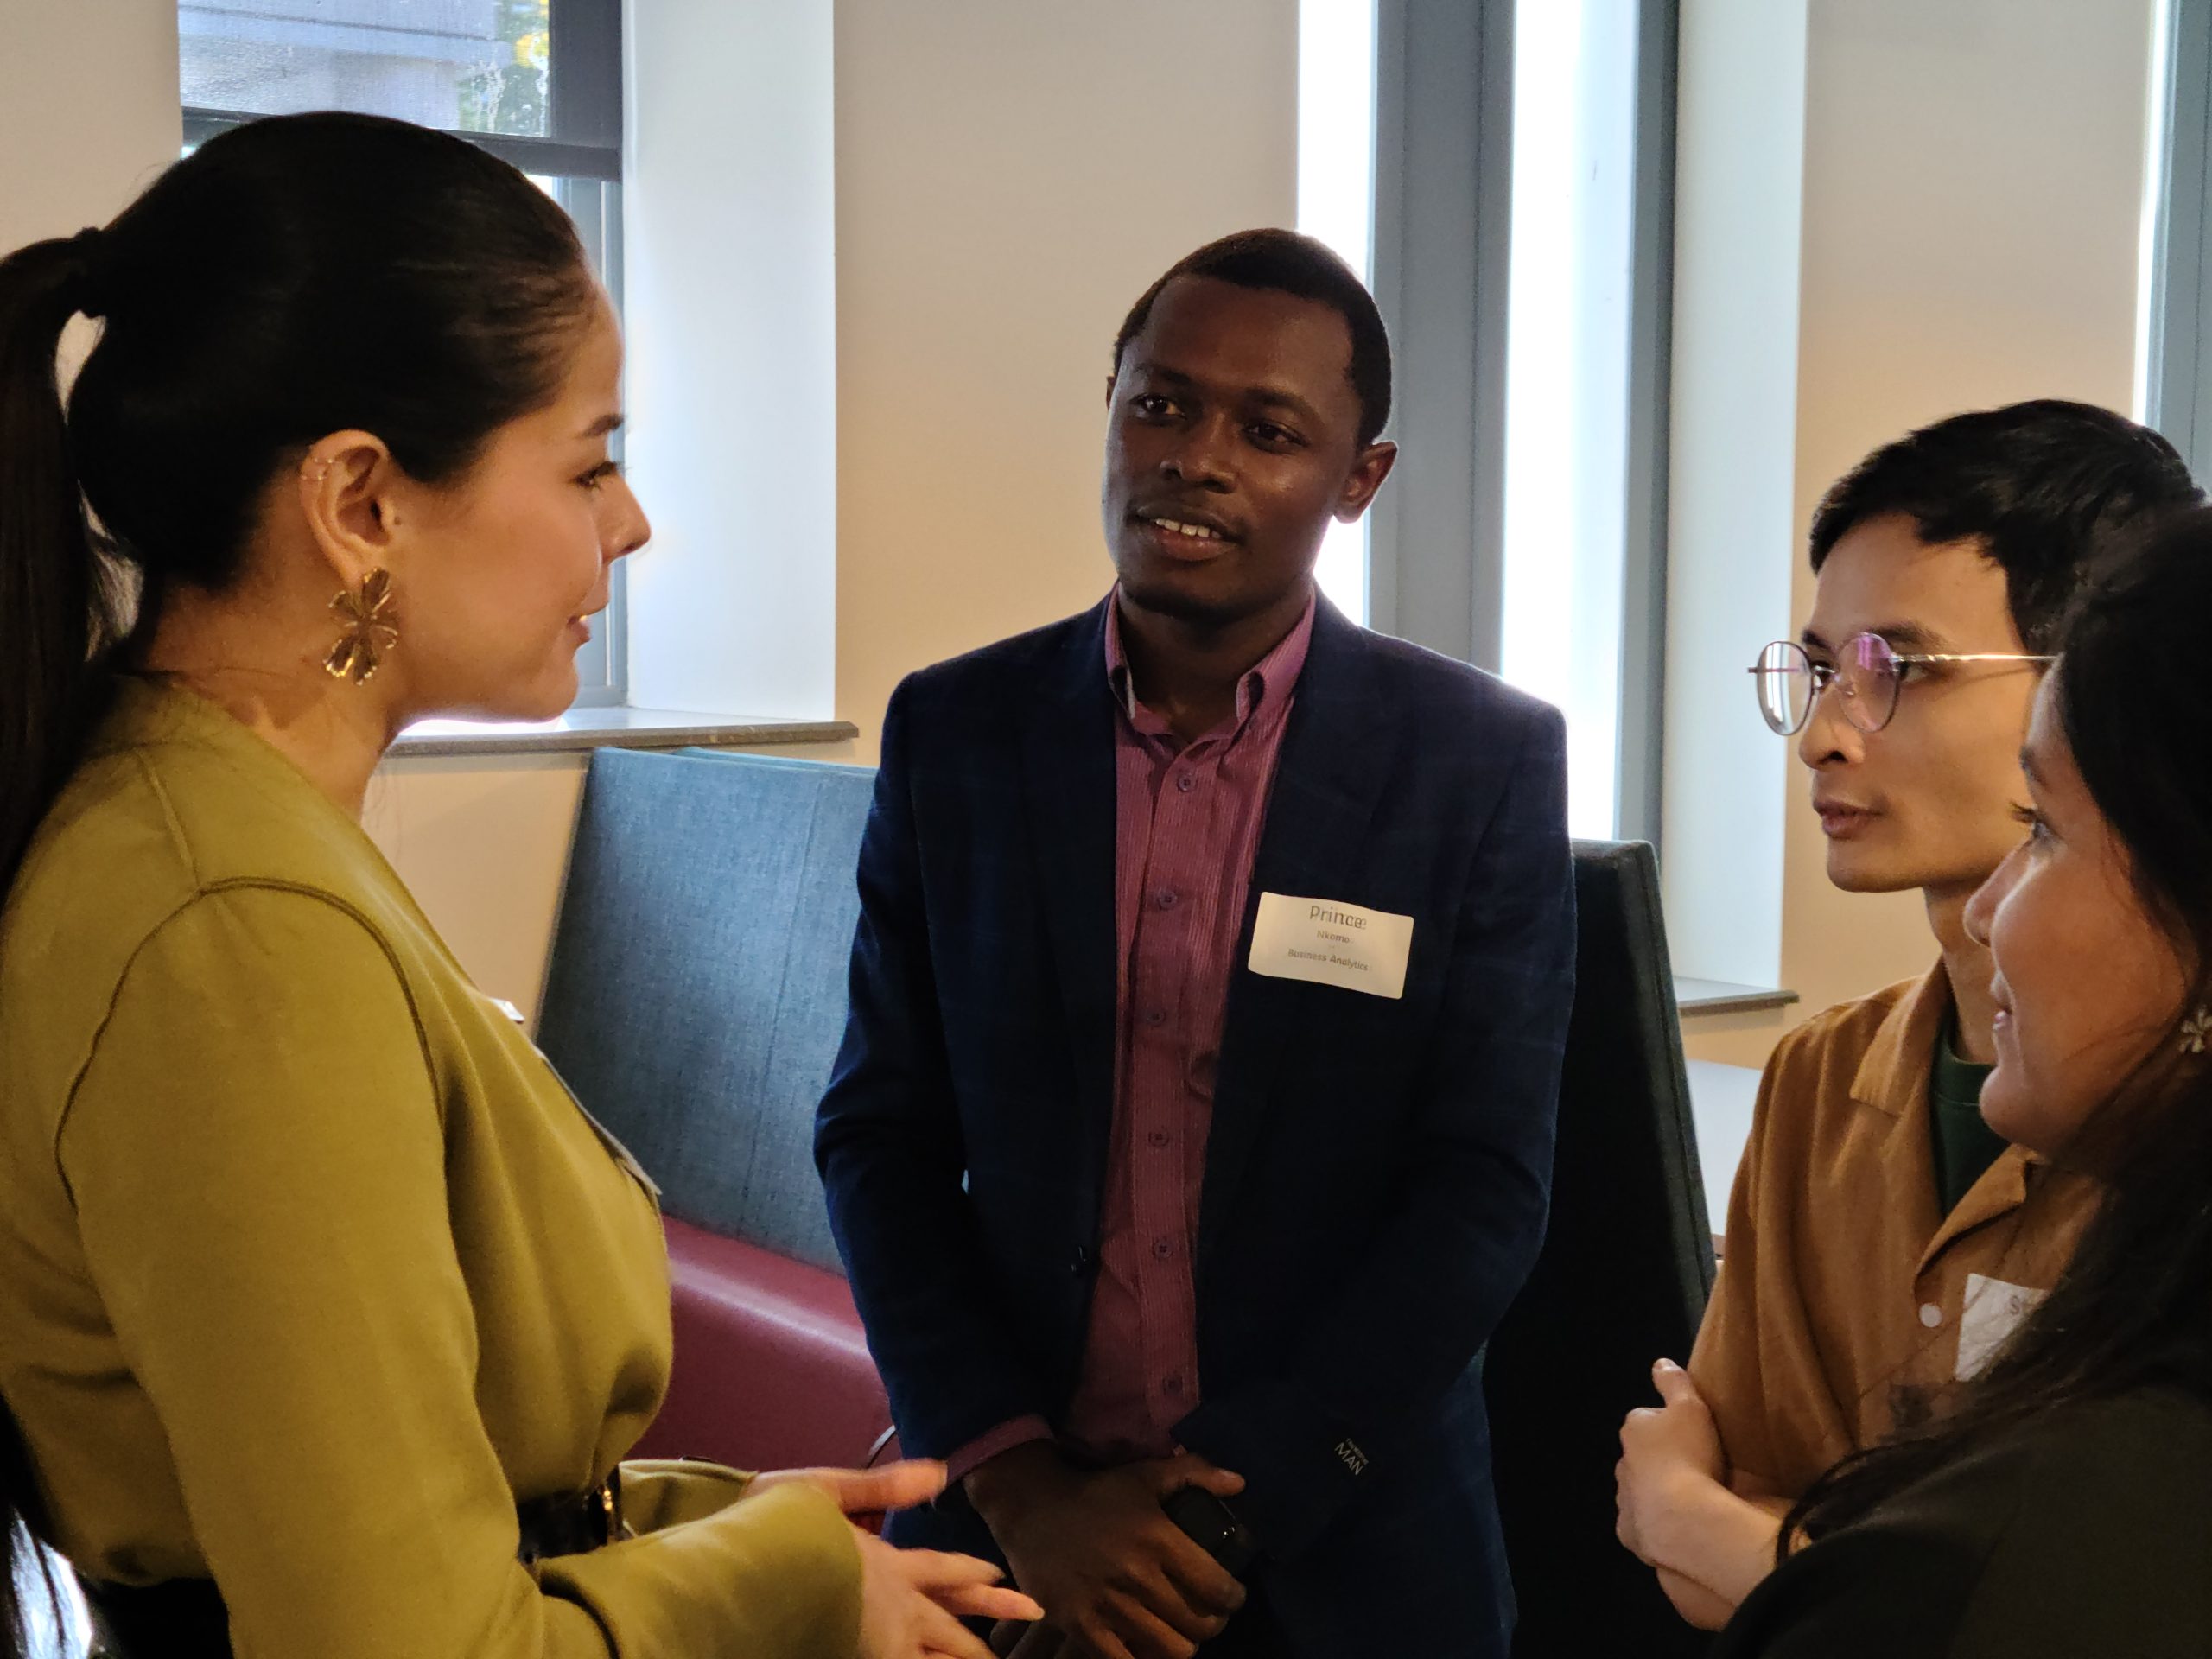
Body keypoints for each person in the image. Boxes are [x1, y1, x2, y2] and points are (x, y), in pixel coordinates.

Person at [0, 112, 1037, 1659]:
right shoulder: (234, 936)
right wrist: (782, 1590)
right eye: (590, 461)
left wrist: (733, 1533)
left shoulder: (223, 827)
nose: (626, 522)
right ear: (363, 505)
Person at [815, 229, 1576, 1659]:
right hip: (1011, 1539)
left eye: (1270, 430)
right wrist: (1025, 1487)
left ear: (1361, 480)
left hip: (1348, 1563)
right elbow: (881, 1136)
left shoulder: (1476, 762)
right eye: (1160, 403)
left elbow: (1483, 1191)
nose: (1195, 457)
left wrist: (1217, 1521)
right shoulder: (959, 733)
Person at [1612, 402, 2201, 1626]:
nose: (1825, 737)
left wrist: (1721, 1535)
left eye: (1901, 672)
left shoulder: (2159, 1127)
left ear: (2086, 677)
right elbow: (1735, 1502)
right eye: (1823, 672)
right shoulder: (1823, 1077)